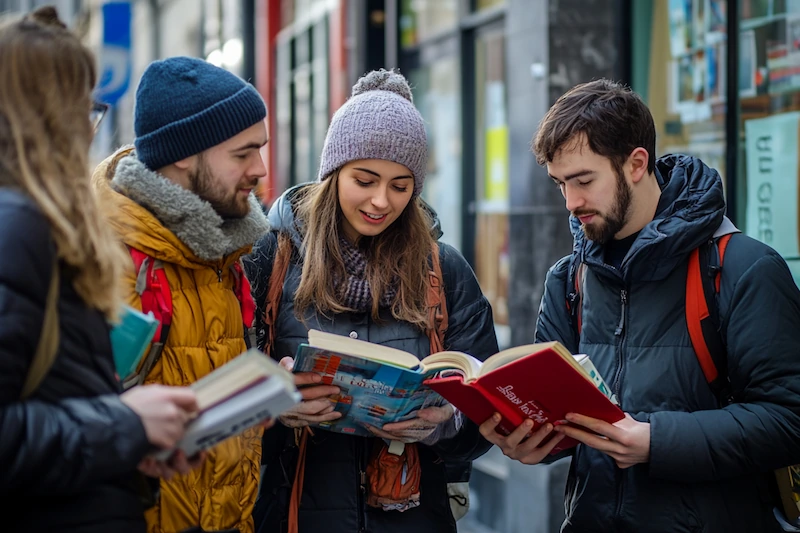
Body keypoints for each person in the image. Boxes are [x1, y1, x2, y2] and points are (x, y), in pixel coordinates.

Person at [478, 78, 800, 532]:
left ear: (636, 163)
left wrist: (655, 442)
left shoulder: (743, 268)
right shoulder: (569, 279)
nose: (571, 203)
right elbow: (560, 416)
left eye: (584, 180)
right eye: (559, 184)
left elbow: (789, 419)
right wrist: (530, 441)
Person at [244, 69, 496, 533]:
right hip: (295, 508)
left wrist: (446, 422)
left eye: (401, 187)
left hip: (414, 514)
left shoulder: (443, 269)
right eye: (365, 179)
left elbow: (491, 410)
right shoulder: (271, 258)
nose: (381, 201)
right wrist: (273, 404)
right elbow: (225, 381)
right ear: (333, 172)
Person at [0, 7, 202, 533]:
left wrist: (132, 440)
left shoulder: (32, 222)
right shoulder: (18, 228)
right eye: (83, 110)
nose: (89, 131)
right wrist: (126, 424)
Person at [92, 56, 272, 533]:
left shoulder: (226, 249)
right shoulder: (106, 261)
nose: (261, 168)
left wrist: (263, 396)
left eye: (262, 148)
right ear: (183, 154)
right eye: (242, 154)